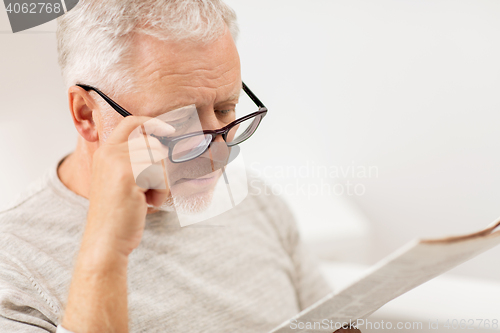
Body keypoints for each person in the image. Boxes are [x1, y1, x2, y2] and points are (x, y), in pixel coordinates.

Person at [0, 1, 360, 332]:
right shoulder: (12, 266)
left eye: (224, 109)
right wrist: (105, 247)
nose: (218, 156)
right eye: (180, 122)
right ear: (86, 115)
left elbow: (325, 324)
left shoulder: (259, 205)